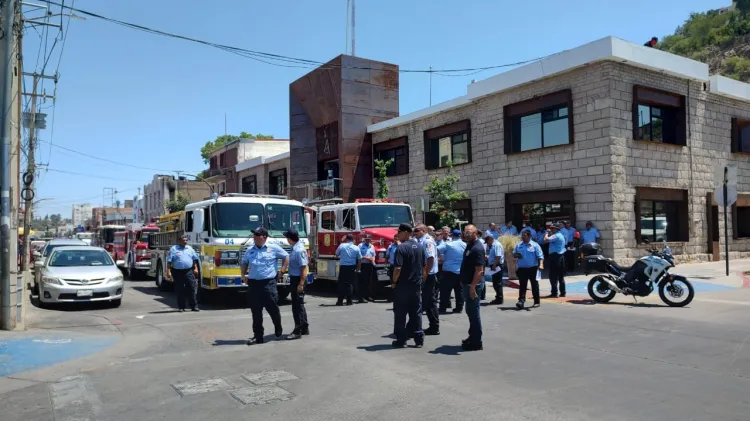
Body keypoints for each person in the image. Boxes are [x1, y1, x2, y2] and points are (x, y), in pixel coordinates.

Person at [241, 227, 289, 345]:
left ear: (264, 237)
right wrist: (243, 274)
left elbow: (286, 256)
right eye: (254, 234)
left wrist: (282, 271)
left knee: (272, 308)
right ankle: (258, 337)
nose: (255, 237)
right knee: (256, 312)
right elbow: (244, 262)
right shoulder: (250, 250)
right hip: (253, 284)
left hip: (268, 283)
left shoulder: (273, 248)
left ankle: (278, 327)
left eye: (257, 235)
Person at [392, 223, 425, 348]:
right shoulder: (420, 247)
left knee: (400, 313)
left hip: (403, 286)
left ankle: (401, 339)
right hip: (416, 285)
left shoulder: (401, 248)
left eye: (399, 232)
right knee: (416, 312)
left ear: (406, 232)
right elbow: (423, 266)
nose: (397, 235)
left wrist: (394, 282)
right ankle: (419, 339)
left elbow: (398, 268)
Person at [460, 224, 485, 351]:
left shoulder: (477, 248)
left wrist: (472, 287)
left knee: (474, 313)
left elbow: (479, 271)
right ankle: (472, 336)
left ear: (476, 233)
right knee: (470, 311)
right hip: (467, 283)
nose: (467, 234)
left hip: (473, 285)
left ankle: (476, 342)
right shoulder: (469, 245)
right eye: (465, 232)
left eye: (469, 232)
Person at [414, 224, 439, 335]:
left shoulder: (427, 241)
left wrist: (424, 274)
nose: (414, 232)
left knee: (429, 301)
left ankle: (434, 326)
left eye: (417, 230)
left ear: (423, 230)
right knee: (427, 300)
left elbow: (430, 258)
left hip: (429, 275)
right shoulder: (420, 240)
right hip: (425, 274)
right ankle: (432, 325)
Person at [285, 228, 309, 340]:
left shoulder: (299, 250)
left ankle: (297, 330)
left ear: (290, 239)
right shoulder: (295, 248)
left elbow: (303, 268)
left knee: (296, 306)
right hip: (296, 279)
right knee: (299, 304)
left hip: (298, 279)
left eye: (287, 238)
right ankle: (304, 327)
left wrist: (301, 283)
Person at [167, 234, 200, 312]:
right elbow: (169, 261)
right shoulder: (174, 249)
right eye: (183, 240)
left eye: (186, 240)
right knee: (180, 289)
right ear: (179, 241)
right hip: (177, 272)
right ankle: (181, 307)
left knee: (192, 287)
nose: (185, 242)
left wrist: (196, 268)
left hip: (188, 271)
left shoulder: (190, 248)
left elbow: (194, 259)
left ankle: (194, 306)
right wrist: (168, 271)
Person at [513, 230, 544, 309]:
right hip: (522, 269)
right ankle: (521, 301)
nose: (522, 237)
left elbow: (540, 256)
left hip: (533, 268)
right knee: (522, 286)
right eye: (522, 236)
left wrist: (541, 264)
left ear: (529, 236)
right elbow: (514, 254)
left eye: (524, 235)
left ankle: (536, 301)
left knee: (534, 285)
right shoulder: (519, 245)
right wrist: (516, 255)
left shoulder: (535, 245)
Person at [335, 234, 362, 306]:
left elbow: (336, 254)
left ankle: (340, 301)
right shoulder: (356, 247)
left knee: (341, 284)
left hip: (343, 267)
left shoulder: (342, 246)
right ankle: (349, 301)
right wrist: (358, 269)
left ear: (346, 239)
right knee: (350, 284)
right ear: (353, 239)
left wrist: (341, 241)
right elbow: (359, 259)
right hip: (352, 267)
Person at [544, 223, 567, 298]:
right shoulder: (560, 235)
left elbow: (545, 240)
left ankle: (554, 292)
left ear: (556, 229)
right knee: (560, 276)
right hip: (561, 255)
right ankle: (563, 292)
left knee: (553, 275)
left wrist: (546, 234)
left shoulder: (556, 235)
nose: (551, 229)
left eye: (552, 228)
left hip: (555, 256)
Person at [485, 234, 504, 305]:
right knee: (495, 283)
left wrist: (494, 265)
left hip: (497, 266)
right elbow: (495, 255)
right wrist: (489, 257)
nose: (487, 244)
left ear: (490, 239)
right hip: (495, 265)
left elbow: (498, 256)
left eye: (487, 242)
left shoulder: (496, 245)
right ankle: (498, 297)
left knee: (497, 283)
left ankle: (499, 299)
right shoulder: (493, 245)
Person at [358, 236, 376, 303]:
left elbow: (374, 254)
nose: (368, 240)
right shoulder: (360, 245)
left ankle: (367, 296)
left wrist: (373, 259)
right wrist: (367, 258)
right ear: (364, 239)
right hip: (363, 265)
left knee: (368, 282)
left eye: (369, 239)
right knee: (362, 282)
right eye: (366, 239)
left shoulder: (372, 246)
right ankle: (361, 297)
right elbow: (359, 255)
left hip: (369, 265)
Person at [386, 235, 400, 303]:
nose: (396, 240)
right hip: (392, 265)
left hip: (400, 266)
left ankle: (399, 297)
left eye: (397, 238)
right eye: (395, 238)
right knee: (392, 281)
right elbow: (387, 255)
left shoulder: (402, 246)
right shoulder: (391, 246)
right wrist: (386, 264)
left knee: (399, 281)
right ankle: (392, 297)